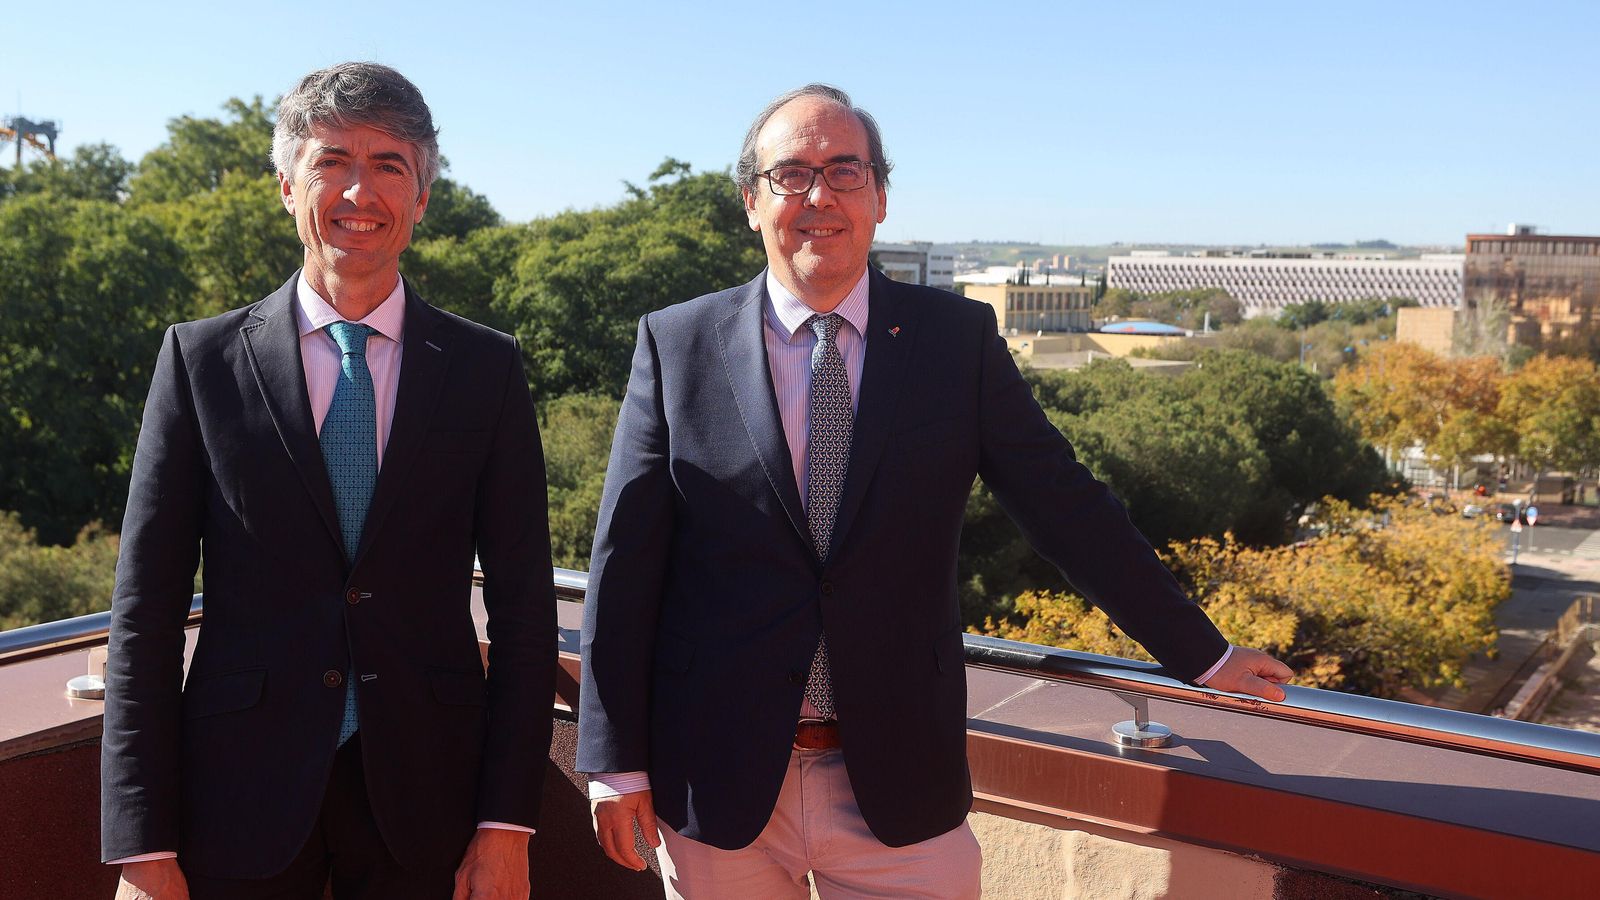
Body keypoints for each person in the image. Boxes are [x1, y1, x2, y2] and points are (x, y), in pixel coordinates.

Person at [576, 83, 1293, 898]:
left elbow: (1065, 508)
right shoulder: (677, 343)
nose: (819, 196)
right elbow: (624, 564)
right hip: (716, 782)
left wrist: (1204, 653)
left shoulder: (955, 341)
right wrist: (614, 763)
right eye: (791, 174)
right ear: (751, 200)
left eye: (845, 172)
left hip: (901, 784)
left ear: (880, 197)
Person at [101, 62, 556, 900]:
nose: (359, 192)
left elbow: (526, 612)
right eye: (331, 162)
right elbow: (145, 614)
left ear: (422, 197)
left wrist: (507, 825)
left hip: (432, 799)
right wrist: (141, 838)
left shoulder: (485, 369)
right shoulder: (200, 362)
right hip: (236, 797)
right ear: (286, 186)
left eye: (389, 165)